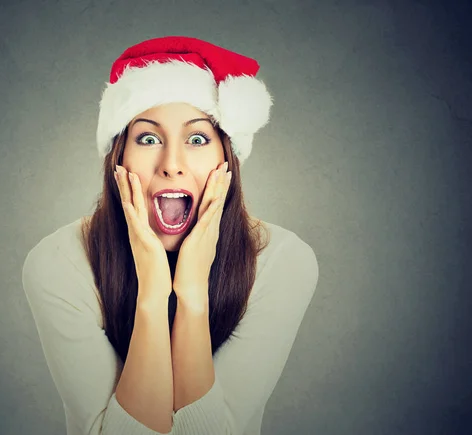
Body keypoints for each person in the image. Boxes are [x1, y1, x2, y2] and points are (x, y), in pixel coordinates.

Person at [21, 36, 319, 435]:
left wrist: (192, 294)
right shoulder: (58, 263)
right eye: (148, 138)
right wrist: (152, 295)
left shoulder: (282, 261)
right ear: (119, 158)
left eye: (197, 139)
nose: (172, 164)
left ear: (226, 159)